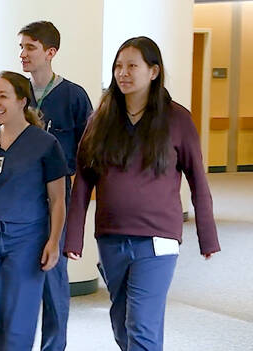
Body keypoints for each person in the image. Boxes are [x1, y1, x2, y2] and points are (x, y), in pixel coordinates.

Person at [64, 36, 220, 351]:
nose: (124, 73)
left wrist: (208, 236)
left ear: (153, 71)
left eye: (132, 66)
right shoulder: (101, 119)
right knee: (122, 324)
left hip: (158, 238)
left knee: (141, 325)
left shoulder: (177, 118)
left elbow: (198, 182)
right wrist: (74, 236)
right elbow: (83, 181)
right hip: (111, 237)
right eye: (119, 66)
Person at [0, 71, 67, 350]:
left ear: (22, 101)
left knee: (19, 323)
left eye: (3, 96)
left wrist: (54, 241)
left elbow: (57, 200)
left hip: (27, 241)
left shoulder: (45, 144)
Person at [18, 20, 93, 351]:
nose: (23, 54)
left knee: (52, 277)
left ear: (50, 52)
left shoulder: (73, 96)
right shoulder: (16, 92)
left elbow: (88, 153)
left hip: (57, 199)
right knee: (18, 279)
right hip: (20, 199)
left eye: (30, 47)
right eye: (21, 47)